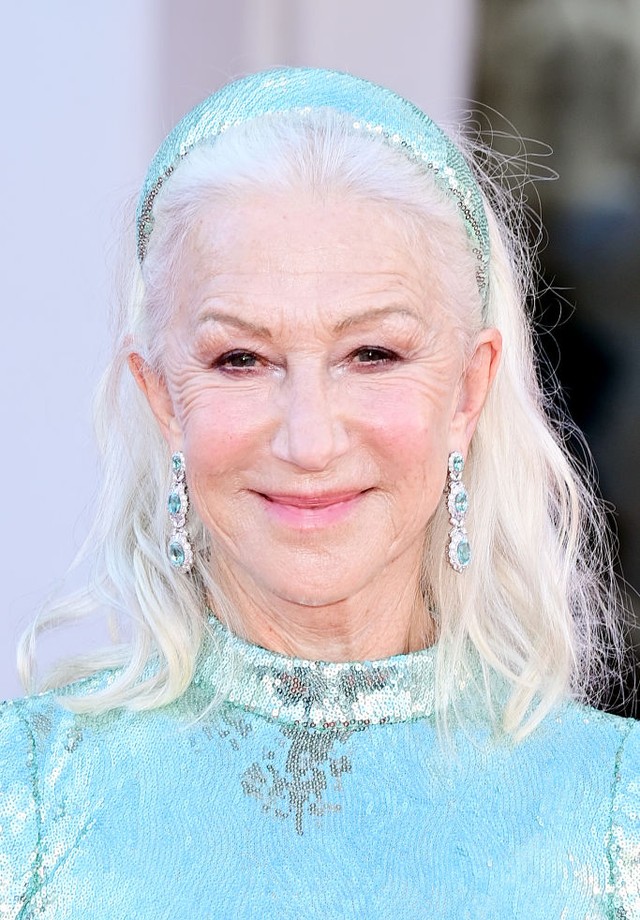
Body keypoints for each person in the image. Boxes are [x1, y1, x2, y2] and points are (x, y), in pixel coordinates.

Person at [0, 67, 637, 919]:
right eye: (241, 359)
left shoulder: (614, 820)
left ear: (468, 390)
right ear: (162, 401)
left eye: (372, 355)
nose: (309, 440)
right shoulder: (31, 807)